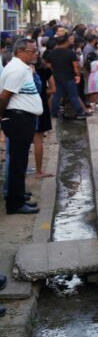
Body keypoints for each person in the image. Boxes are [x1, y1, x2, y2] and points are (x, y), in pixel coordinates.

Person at [1, 39, 44, 214]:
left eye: (36, 51)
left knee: (20, 162)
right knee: (18, 163)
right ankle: (15, 203)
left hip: (23, 118)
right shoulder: (17, 69)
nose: (35, 54)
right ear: (20, 51)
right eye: (32, 51)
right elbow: (4, 97)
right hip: (18, 119)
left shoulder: (21, 67)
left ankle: (18, 195)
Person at [44, 33, 88, 119]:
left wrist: (54, 73)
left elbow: (48, 66)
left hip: (56, 77)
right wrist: (78, 75)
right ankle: (80, 112)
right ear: (65, 42)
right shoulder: (70, 53)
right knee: (73, 95)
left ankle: (54, 113)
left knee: (57, 95)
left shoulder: (51, 53)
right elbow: (75, 66)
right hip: (69, 77)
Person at [32, 62, 54, 179]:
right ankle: (38, 171)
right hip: (40, 106)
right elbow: (53, 89)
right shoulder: (46, 70)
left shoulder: (21, 69)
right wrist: (41, 93)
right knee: (38, 140)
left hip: (24, 106)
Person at [83, 33, 98, 111]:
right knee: (93, 89)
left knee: (94, 89)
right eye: (96, 39)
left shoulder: (93, 47)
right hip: (92, 71)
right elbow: (86, 60)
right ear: (93, 40)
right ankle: (90, 103)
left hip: (93, 70)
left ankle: (92, 103)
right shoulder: (88, 48)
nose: (97, 40)